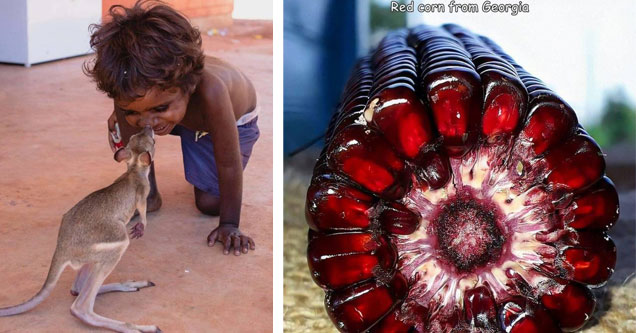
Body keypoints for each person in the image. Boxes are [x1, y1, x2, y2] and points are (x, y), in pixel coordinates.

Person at [84, 0, 258, 255]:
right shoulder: (138, 88)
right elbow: (145, 107)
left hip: (225, 122)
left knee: (209, 203)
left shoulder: (212, 93)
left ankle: (204, 181)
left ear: (188, 86)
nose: (145, 123)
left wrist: (230, 225)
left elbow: (229, 164)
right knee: (137, 112)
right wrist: (124, 112)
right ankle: (147, 193)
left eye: (159, 108)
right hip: (181, 113)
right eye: (134, 110)